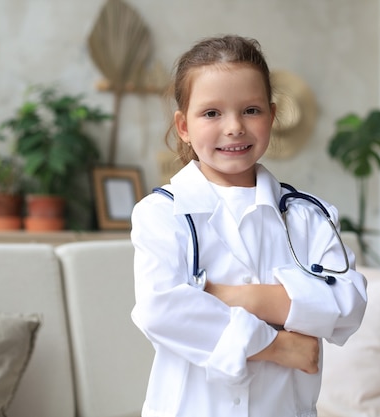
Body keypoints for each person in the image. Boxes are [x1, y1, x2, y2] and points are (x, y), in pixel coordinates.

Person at [130, 34, 367, 417]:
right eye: (211, 113)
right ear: (184, 126)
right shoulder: (159, 213)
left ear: (272, 117)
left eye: (251, 110)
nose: (234, 127)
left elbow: (348, 303)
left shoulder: (310, 214)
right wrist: (279, 345)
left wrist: (230, 296)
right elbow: (161, 310)